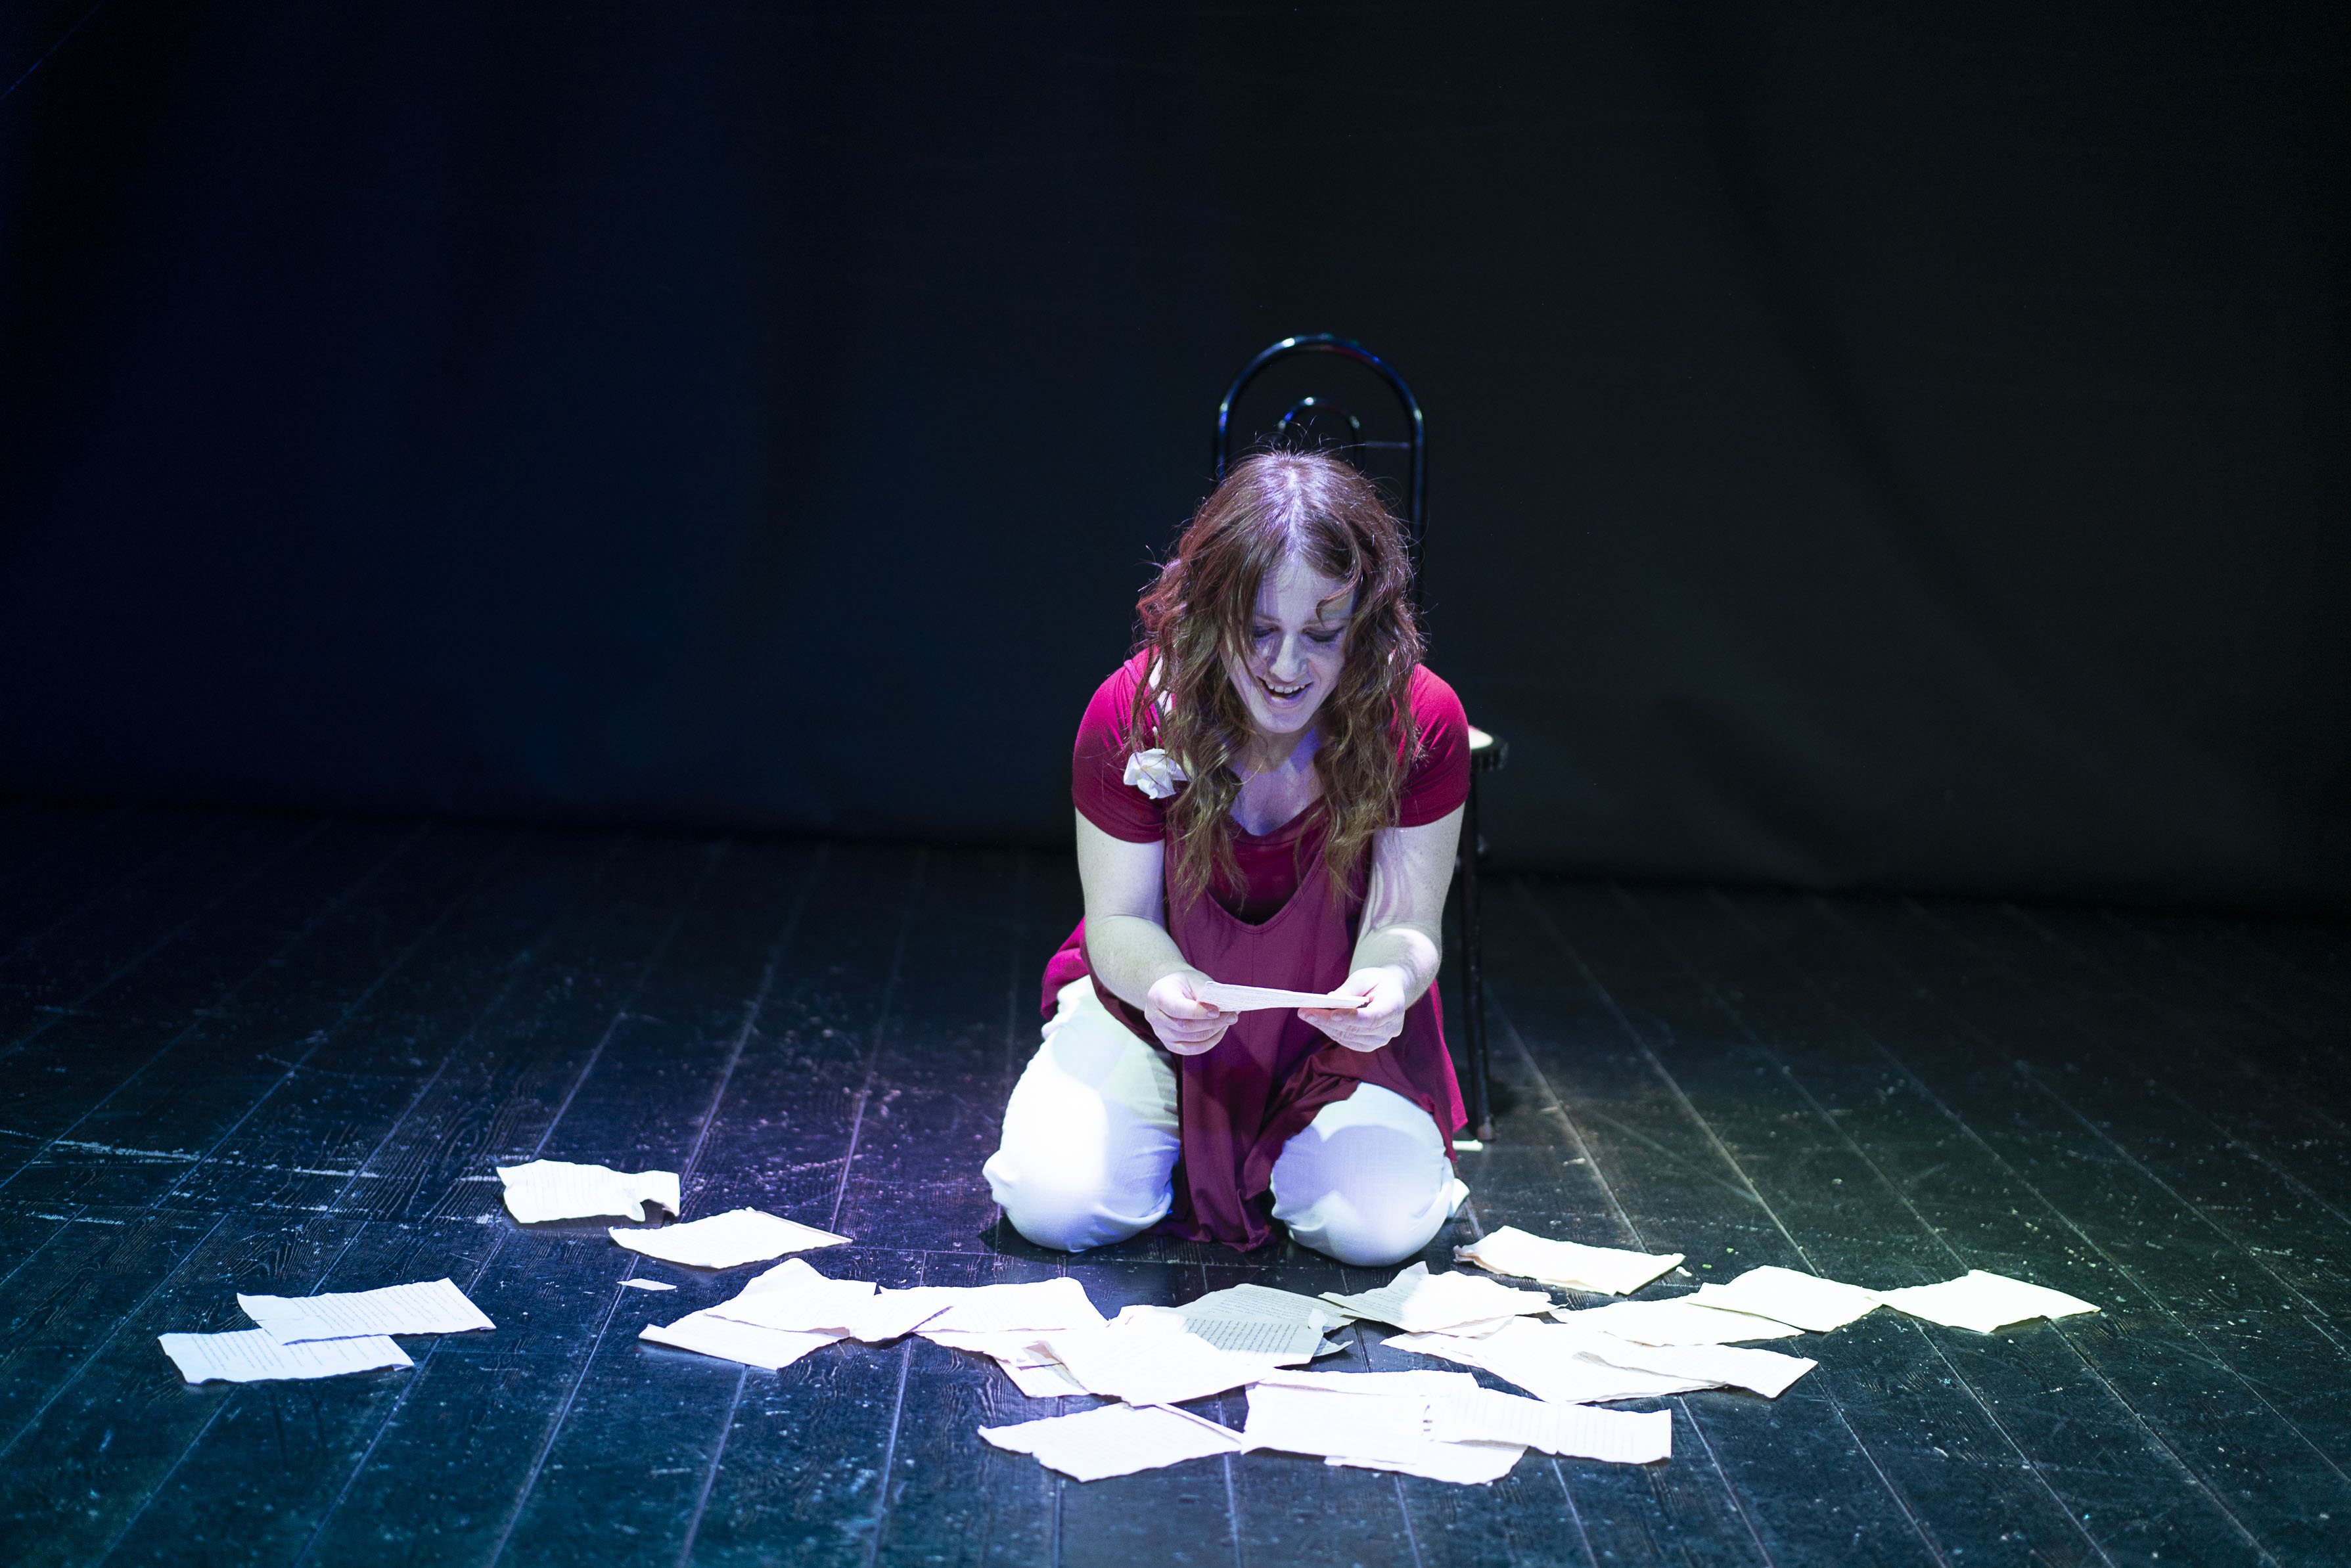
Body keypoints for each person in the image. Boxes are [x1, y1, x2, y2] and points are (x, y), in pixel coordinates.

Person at [982, 451, 1472, 1266]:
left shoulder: (1420, 716)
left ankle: (1273, 1151)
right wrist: (1162, 984)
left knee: (1378, 1227)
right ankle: (1184, 1140)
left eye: (1322, 634)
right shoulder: (1132, 709)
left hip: (1331, 1035)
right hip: (1155, 1015)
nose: (1285, 667)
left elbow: (1406, 924)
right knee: (1054, 1202)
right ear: (1213, 611)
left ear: (1366, 620)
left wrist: (1388, 983)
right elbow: (1118, 919)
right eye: (1259, 631)